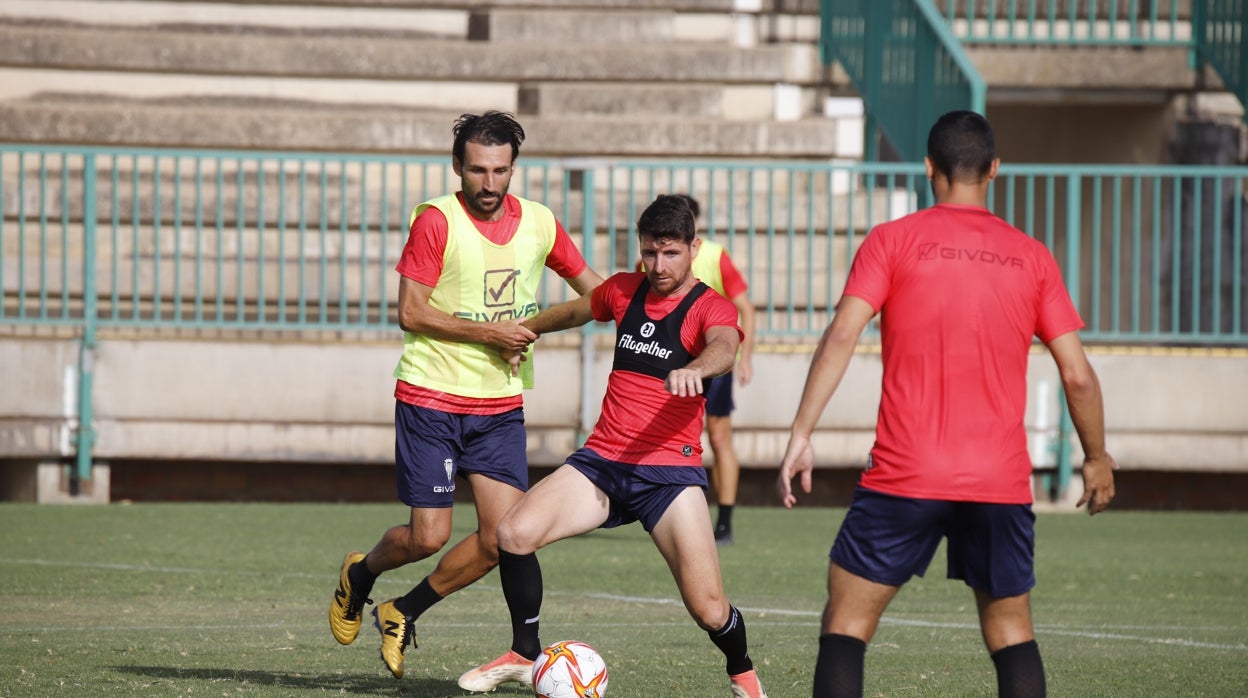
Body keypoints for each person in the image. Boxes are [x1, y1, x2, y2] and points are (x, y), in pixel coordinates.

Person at [776, 111, 1117, 698]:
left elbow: (839, 336)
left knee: (847, 626)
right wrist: (1097, 456)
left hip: (905, 475)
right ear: (994, 171)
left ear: (928, 168)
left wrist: (802, 432)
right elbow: (1078, 376)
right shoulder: (1032, 257)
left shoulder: (891, 240)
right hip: (999, 481)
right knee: (1011, 631)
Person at [457, 194, 768, 698]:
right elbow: (575, 310)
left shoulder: (710, 306)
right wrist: (524, 330)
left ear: (694, 248)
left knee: (709, 609)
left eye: (670, 253)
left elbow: (726, 346)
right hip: (602, 462)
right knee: (513, 532)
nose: (659, 265)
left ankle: (744, 673)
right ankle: (524, 653)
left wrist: (695, 369)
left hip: (667, 475)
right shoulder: (624, 291)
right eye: (650, 252)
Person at [328, 110, 603, 681]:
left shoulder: (541, 224)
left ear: (513, 168)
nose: (489, 183)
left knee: (506, 538)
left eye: (500, 170)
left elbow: (595, 297)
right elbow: (411, 311)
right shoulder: (436, 221)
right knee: (428, 535)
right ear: (458, 167)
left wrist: (536, 328)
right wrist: (492, 333)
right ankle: (362, 574)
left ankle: (405, 611)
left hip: (498, 405)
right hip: (431, 395)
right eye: (477, 170)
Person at [643, 194, 756, 545]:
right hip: (667, 360)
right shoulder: (655, 260)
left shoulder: (716, 256)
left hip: (709, 364)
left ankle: (724, 520)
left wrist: (745, 355)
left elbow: (745, 308)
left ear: (693, 234)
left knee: (719, 437)